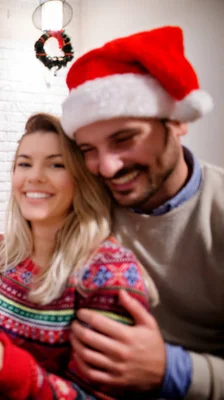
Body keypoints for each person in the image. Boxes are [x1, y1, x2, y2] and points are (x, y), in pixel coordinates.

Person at [0, 113, 158, 399]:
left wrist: (8, 364)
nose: (35, 177)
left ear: (82, 179)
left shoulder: (109, 272)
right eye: (24, 164)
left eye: (56, 164)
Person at [60, 26, 223, 399]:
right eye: (88, 148)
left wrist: (172, 369)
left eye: (124, 138)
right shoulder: (91, 203)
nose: (107, 167)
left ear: (178, 122)